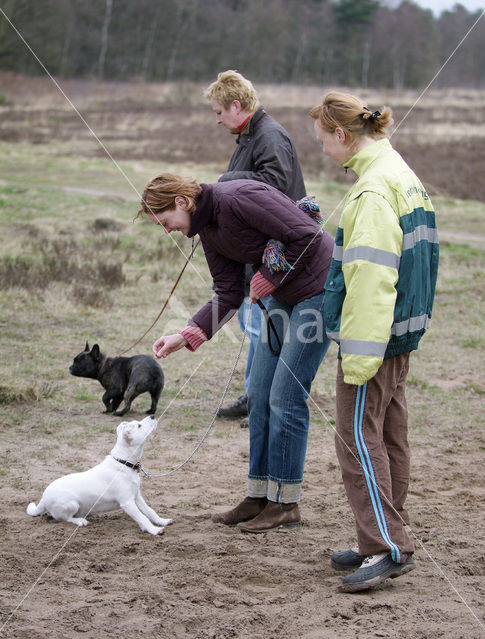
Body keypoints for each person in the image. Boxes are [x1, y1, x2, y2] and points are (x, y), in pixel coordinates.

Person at [138, 174, 333, 532]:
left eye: (165, 222)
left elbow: (308, 234)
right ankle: (258, 495)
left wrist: (269, 277)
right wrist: (188, 333)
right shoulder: (207, 230)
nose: (167, 231)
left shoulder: (238, 197)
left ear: (180, 202)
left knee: (285, 397)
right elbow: (228, 292)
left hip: (318, 291)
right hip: (282, 296)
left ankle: (286, 503)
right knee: (259, 394)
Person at [310, 92, 439, 591]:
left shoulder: (372, 192)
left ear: (341, 135)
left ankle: (386, 544)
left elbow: (370, 278)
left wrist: (358, 356)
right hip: (401, 335)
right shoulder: (400, 174)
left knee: (357, 441)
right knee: (389, 436)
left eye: (323, 140)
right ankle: (386, 534)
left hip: (375, 343)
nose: (322, 150)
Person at [204, 70, 306, 422]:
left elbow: (272, 185)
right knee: (257, 330)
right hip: (258, 251)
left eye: (218, 112)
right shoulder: (250, 136)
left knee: (267, 333)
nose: (217, 120)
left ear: (236, 106)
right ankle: (254, 396)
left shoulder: (270, 136)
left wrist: (226, 180)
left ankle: (261, 402)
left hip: (274, 255)